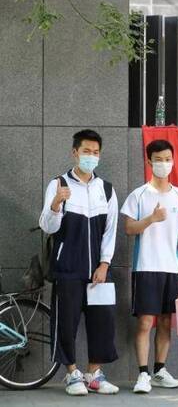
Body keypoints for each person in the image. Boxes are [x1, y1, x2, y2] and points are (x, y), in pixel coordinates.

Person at [39, 129, 119, 395]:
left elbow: (110, 231)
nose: (91, 157)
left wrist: (104, 264)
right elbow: (47, 227)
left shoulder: (106, 189)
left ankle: (94, 373)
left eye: (95, 153)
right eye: (86, 152)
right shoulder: (59, 184)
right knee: (66, 321)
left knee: (102, 321)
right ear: (75, 152)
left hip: (98, 270)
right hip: (68, 268)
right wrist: (56, 204)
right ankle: (72, 373)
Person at [120, 139, 178, 393]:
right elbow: (129, 228)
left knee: (165, 322)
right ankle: (143, 375)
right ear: (149, 161)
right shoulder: (139, 195)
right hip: (146, 267)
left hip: (171, 268)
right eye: (159, 159)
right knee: (145, 323)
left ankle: (160, 370)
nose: (164, 163)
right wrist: (151, 218)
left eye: (168, 159)